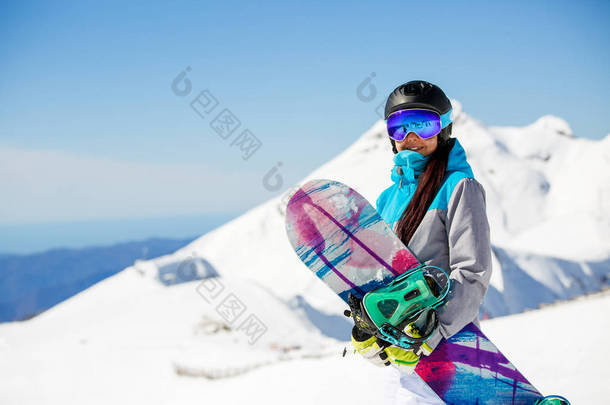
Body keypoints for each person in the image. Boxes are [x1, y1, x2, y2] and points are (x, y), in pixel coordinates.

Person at [350, 80, 492, 403]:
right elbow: (380, 283)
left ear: (442, 129)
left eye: (422, 125)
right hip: (398, 370)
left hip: (442, 357)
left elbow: (472, 272)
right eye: (400, 127)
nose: (411, 137)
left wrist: (432, 331)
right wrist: (368, 330)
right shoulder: (387, 199)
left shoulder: (459, 186)